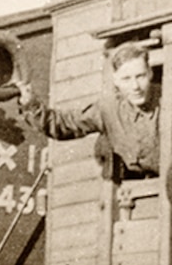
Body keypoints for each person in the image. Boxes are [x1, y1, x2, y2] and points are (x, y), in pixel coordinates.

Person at [35, 41, 160, 180]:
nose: (135, 86)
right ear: (116, 81)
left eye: (140, 76)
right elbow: (65, 124)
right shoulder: (109, 108)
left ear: (150, 73)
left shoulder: (168, 98)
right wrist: (30, 105)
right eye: (126, 79)